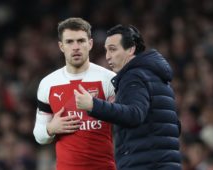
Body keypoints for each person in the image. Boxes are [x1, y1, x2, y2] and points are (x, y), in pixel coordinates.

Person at [74, 24, 182, 169]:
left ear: (131, 49)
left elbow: (134, 115)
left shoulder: (133, 76)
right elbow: (172, 125)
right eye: (106, 50)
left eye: (113, 49)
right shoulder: (156, 76)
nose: (107, 56)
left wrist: (93, 105)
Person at [33, 18, 116, 170]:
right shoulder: (48, 83)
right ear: (61, 46)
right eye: (70, 42)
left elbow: (125, 121)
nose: (76, 47)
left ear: (90, 44)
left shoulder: (108, 79)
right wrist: (51, 128)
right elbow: (39, 135)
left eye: (81, 41)